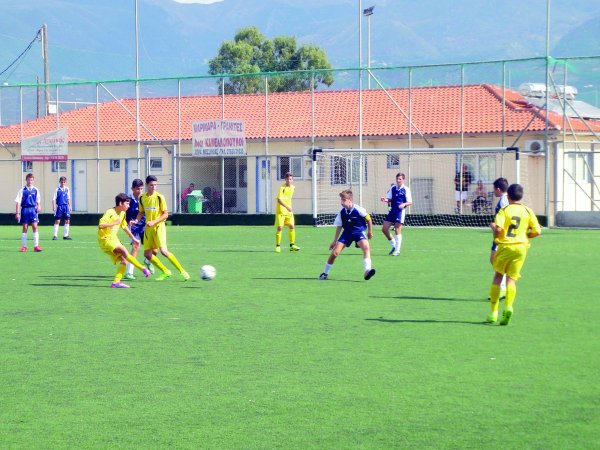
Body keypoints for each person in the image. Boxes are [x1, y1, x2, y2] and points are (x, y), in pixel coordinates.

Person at [486, 184, 541, 325]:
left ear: (508, 196)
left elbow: (499, 229)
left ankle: (493, 312)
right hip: (521, 247)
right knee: (511, 279)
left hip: (505, 246)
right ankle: (509, 307)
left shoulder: (504, 210)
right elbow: (537, 231)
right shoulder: (527, 210)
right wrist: (526, 235)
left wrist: (494, 233)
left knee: (498, 276)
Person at [135, 175, 189, 281]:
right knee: (147, 254)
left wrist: (154, 222)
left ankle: (182, 271)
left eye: (155, 185)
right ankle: (165, 271)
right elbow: (141, 212)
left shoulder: (160, 197)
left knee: (163, 251)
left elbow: (165, 214)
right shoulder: (142, 198)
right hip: (148, 228)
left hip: (159, 227)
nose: (154, 187)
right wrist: (136, 221)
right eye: (151, 185)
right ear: (147, 185)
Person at [319, 189, 376, 281]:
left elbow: (369, 219)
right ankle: (325, 273)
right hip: (347, 233)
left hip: (358, 232)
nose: (342, 202)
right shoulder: (341, 212)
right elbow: (339, 226)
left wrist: (370, 232)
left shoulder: (359, 209)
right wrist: (334, 241)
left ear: (350, 200)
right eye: (341, 200)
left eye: (344, 200)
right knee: (335, 253)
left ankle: (367, 271)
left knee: (366, 247)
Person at [98, 193, 151, 288]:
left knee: (124, 260)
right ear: (120, 203)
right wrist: (114, 223)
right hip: (105, 239)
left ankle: (116, 282)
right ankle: (142, 268)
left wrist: (133, 238)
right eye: (127, 204)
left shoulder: (122, 213)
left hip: (114, 239)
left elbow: (124, 226)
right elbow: (101, 226)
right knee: (124, 251)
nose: (129, 206)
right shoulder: (110, 212)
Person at [124, 178, 155, 281]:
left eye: (141, 188)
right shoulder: (128, 200)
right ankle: (129, 272)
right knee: (136, 247)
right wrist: (127, 222)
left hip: (145, 226)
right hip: (134, 227)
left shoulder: (145, 198)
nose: (140, 191)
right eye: (138, 189)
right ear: (132, 189)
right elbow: (123, 213)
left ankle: (147, 261)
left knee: (154, 249)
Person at [380, 172, 412, 256]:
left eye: (400, 179)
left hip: (400, 212)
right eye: (397, 179)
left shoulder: (406, 189)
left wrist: (404, 204)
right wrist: (385, 200)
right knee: (384, 229)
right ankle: (394, 245)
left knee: (397, 229)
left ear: (403, 180)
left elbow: (410, 202)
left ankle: (397, 251)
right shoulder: (393, 188)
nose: (398, 180)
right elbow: (389, 199)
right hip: (392, 211)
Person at [489, 177, 510, 298]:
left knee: (495, 260)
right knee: (494, 260)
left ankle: (502, 289)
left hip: (501, 235)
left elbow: (506, 219)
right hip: (502, 234)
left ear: (498, 189)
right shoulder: (507, 199)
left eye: (494, 189)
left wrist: (495, 227)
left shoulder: (503, 201)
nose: (493, 191)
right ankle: (504, 287)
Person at [15, 173, 42, 252]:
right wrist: (17, 213)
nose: (30, 181)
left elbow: (38, 200)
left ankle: (36, 246)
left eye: (31, 180)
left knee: (35, 227)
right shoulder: (22, 190)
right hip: (25, 210)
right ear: (26, 180)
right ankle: (24, 246)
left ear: (33, 180)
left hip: (33, 210)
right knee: (25, 228)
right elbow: (18, 202)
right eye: (28, 180)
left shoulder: (36, 190)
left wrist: (39, 206)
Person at [274, 172, 300, 253]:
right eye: (287, 179)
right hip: (281, 211)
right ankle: (278, 246)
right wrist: (287, 207)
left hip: (289, 211)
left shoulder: (293, 188)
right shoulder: (282, 188)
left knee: (292, 226)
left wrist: (289, 207)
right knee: (280, 227)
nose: (289, 180)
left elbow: (288, 198)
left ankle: (292, 246)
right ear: (285, 179)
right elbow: (279, 200)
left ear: (292, 180)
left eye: (290, 179)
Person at [52, 176, 72, 240]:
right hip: (59, 206)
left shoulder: (67, 189)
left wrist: (70, 206)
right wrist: (54, 206)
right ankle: (55, 235)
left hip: (65, 206)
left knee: (67, 220)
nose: (63, 183)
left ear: (65, 182)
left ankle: (65, 235)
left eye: (64, 182)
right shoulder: (57, 189)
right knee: (57, 221)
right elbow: (53, 199)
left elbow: (68, 198)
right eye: (61, 182)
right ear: (59, 182)